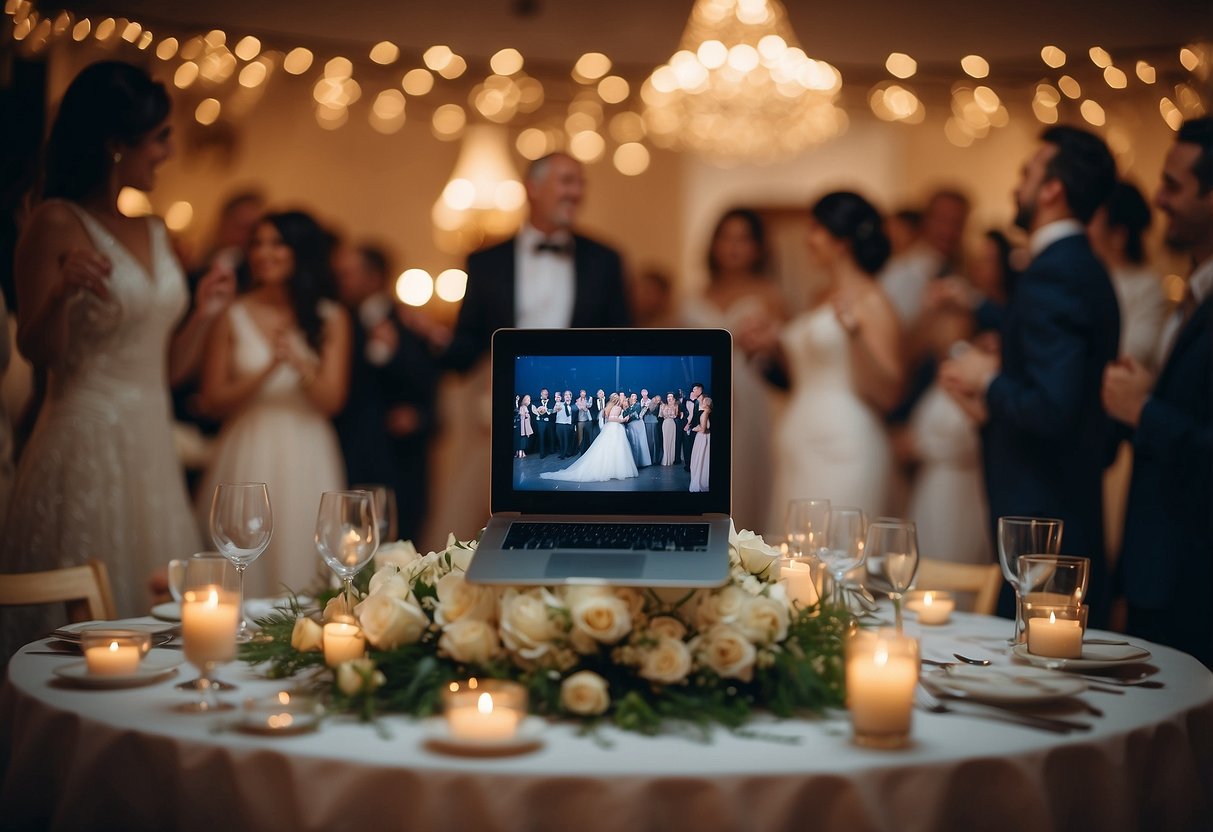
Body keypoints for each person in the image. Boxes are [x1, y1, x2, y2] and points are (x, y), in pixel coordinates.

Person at [1, 62, 234, 646]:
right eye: (159, 138)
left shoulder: (155, 230)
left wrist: (202, 312)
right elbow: (37, 351)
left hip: (150, 440)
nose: (169, 151)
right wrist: (58, 294)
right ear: (115, 145)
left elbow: (168, 369)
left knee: (160, 620)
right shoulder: (54, 223)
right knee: (79, 628)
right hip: (84, 441)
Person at [941, 125, 1120, 627]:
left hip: (1045, 519)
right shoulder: (1079, 265)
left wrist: (988, 379)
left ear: (1052, 190)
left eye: (1028, 173)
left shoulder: (1055, 271)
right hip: (1060, 505)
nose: (1016, 186)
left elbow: (1053, 408)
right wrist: (990, 400)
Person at [195, 211, 351, 598]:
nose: (264, 253)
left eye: (276, 243)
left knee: (302, 551)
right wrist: (267, 368)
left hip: (307, 447)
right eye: (258, 243)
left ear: (300, 252)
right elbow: (213, 399)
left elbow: (332, 400)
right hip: (248, 446)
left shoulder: (331, 316)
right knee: (243, 550)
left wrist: (300, 364)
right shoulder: (232, 312)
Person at [1104, 118, 1213, 666]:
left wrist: (1145, 409)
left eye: (1173, 185)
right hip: (1160, 565)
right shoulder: (1190, 292)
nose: (1158, 198)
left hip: (1197, 570)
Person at [746, 192, 903, 529]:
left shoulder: (871, 300)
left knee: (835, 553)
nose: (808, 239)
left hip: (844, 446)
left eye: (816, 228)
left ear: (842, 241)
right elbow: (806, 372)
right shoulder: (818, 296)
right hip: (798, 442)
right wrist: (774, 343)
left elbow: (889, 391)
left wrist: (856, 334)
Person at [445, 152, 631, 371]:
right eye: (567, 181)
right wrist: (440, 342)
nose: (577, 192)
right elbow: (467, 344)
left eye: (581, 184)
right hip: (505, 391)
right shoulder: (485, 262)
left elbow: (622, 341)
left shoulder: (605, 260)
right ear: (533, 188)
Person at [332, 242, 440, 544]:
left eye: (348, 274)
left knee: (400, 538)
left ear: (374, 277)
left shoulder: (412, 323)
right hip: (350, 451)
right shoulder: (337, 323)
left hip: (400, 460)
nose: (341, 280)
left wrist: (417, 417)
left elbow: (431, 389)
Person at [681, 208, 782, 533]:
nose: (733, 247)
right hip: (703, 397)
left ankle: (747, 555)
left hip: (749, 401)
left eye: (743, 239)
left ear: (757, 248)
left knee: (745, 474)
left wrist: (769, 345)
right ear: (714, 244)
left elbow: (788, 363)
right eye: (726, 237)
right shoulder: (694, 296)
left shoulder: (771, 295)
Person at [1089, 181, 1169, 373]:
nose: (1087, 229)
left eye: (1093, 221)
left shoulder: (1146, 287)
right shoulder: (1089, 275)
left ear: (1118, 235)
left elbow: (1132, 353)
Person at [541, 393, 638, 483]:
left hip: (611, 428)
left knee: (610, 449)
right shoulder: (617, 407)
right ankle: (614, 470)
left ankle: (612, 469)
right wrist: (623, 419)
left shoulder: (610, 407)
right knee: (615, 449)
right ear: (617, 400)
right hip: (615, 428)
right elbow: (612, 418)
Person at [688, 395, 712, 493]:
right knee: (703, 459)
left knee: (698, 460)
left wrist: (692, 429)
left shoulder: (705, 412)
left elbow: (703, 429)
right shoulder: (709, 412)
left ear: (705, 404)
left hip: (702, 438)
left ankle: (699, 481)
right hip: (706, 437)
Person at [660, 392, 679, 467]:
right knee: (665, 441)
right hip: (665, 423)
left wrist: (672, 407)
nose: (669, 398)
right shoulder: (663, 405)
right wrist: (665, 410)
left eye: (671, 396)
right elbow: (661, 415)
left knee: (672, 441)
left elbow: (675, 415)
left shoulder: (675, 406)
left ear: (673, 398)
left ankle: (671, 459)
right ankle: (665, 459)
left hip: (672, 423)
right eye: (668, 396)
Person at [516, 393, 533, 458]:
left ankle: (519, 452)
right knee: (523, 441)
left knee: (521, 440)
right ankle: (521, 453)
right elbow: (525, 418)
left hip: (522, 428)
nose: (529, 401)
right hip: (523, 428)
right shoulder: (524, 407)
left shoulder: (521, 407)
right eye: (528, 400)